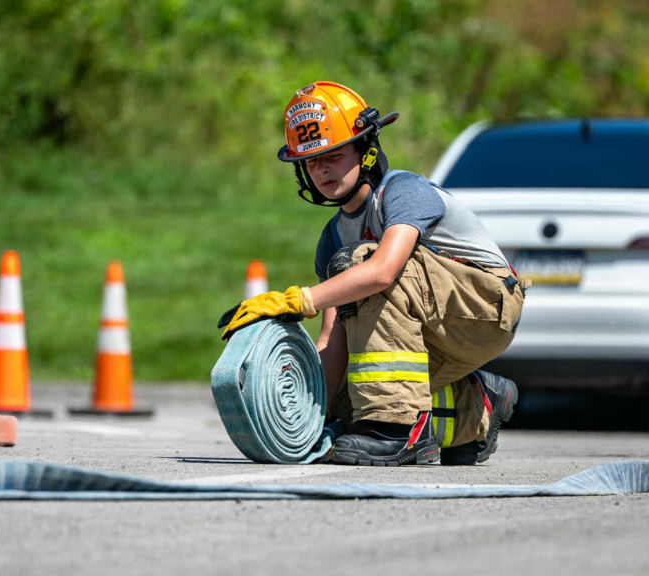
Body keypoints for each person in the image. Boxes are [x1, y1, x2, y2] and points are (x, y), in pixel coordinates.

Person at [218, 81, 527, 466]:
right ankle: (476, 410)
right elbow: (333, 338)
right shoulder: (333, 238)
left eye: (334, 154)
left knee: (361, 265)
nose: (322, 169)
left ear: (364, 150)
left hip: (487, 309)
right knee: (354, 405)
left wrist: (299, 300)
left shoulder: (402, 192)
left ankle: (396, 434)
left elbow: (382, 272)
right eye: (311, 161)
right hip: (435, 324)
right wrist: (311, 414)